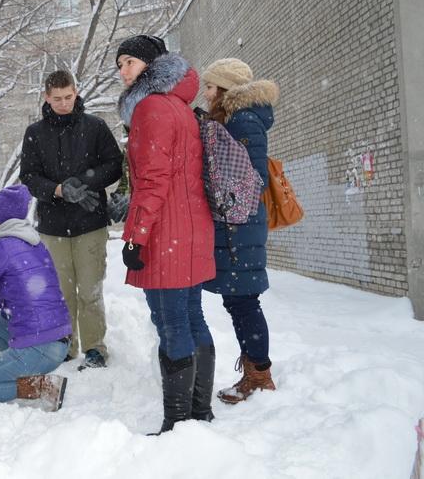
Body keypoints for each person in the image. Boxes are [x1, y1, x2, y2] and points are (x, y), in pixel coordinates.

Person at [116, 35, 216, 433]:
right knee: (192, 319)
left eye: (129, 62)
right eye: (119, 64)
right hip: (190, 230)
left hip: (165, 233)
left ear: (151, 65)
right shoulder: (180, 106)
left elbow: (153, 180)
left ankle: (178, 423)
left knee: (172, 323)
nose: (123, 70)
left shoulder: (150, 107)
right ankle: (199, 413)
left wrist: (136, 235)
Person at [19, 70, 123, 369]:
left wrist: (84, 181)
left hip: (90, 222)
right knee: (61, 291)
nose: (64, 104)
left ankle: (95, 348)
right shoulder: (35, 133)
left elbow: (114, 165)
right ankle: (65, 344)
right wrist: (59, 190)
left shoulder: (95, 127)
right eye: (57, 99)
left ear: (76, 92)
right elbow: (28, 176)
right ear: (46, 98)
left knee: (90, 289)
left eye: (68, 97)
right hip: (52, 225)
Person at [200, 58, 279, 404]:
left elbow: (249, 178)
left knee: (244, 302)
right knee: (240, 301)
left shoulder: (243, 120)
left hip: (239, 226)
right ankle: (254, 370)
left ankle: (259, 375)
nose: (206, 93)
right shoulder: (237, 119)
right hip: (238, 224)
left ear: (225, 89)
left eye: (210, 86)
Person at [0, 185, 71, 411]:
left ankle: (44, 387)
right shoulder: (36, 243)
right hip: (60, 341)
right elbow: (16, 296)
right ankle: (21, 367)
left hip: (39, 345)